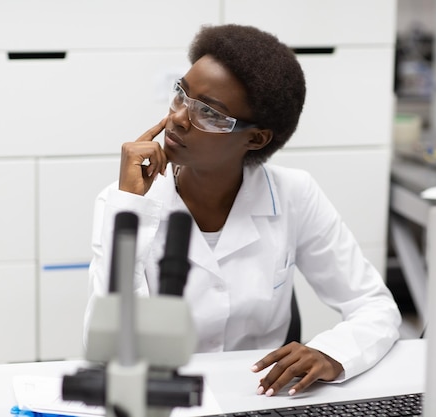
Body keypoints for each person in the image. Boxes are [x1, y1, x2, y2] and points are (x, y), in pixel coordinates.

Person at [85, 24, 401, 397]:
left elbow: (373, 306)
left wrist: (332, 354)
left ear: (255, 138)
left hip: (262, 396)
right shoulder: (125, 200)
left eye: (209, 113)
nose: (179, 118)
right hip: (163, 398)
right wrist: (131, 209)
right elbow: (111, 348)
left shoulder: (294, 195)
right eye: (181, 94)